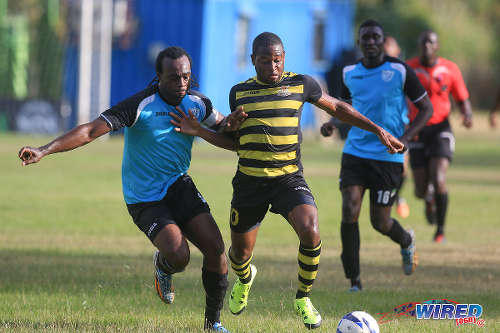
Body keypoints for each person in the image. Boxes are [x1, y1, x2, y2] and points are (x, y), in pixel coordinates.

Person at [18, 46, 247, 332]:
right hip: (144, 197)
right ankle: (164, 267)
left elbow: (223, 126)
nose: (181, 84)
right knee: (179, 256)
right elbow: (90, 131)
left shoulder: (198, 103)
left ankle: (212, 323)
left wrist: (232, 124)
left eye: (186, 77)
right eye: (174, 78)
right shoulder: (139, 105)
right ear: (159, 76)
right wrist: (43, 150)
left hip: (179, 184)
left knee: (215, 248)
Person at [219, 31, 404, 330]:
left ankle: (303, 297)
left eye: (277, 60)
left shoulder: (300, 83)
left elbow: (339, 107)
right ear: (253, 61)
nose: (272, 67)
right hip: (250, 182)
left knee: (311, 230)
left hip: (288, 179)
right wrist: (230, 125)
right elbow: (234, 139)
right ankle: (244, 277)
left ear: (284, 58)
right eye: (265, 61)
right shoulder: (238, 92)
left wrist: (377, 129)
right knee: (240, 253)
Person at [320, 19, 433, 292]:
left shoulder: (400, 70)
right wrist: (333, 123)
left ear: (383, 41)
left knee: (380, 222)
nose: (371, 41)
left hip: (388, 156)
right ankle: (354, 280)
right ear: (359, 43)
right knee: (349, 209)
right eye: (365, 37)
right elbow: (345, 107)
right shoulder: (349, 72)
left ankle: (406, 240)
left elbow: (426, 109)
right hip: (355, 152)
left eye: (376, 37)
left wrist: (405, 140)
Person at [407, 30, 473, 243]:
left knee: (440, 178)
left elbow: (462, 97)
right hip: (416, 130)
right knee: (419, 189)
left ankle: (440, 230)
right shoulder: (409, 68)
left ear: (437, 46)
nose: (427, 45)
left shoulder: (450, 68)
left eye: (431, 42)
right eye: (424, 41)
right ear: (419, 45)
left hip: (441, 128)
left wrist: (467, 114)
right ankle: (428, 198)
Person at [383, 35, 411, 219]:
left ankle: (397, 197)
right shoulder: (373, 70)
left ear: (397, 49)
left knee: (403, 170)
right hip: (380, 128)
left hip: (401, 126)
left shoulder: (403, 71)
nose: (386, 48)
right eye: (384, 44)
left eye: (390, 45)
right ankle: (386, 201)